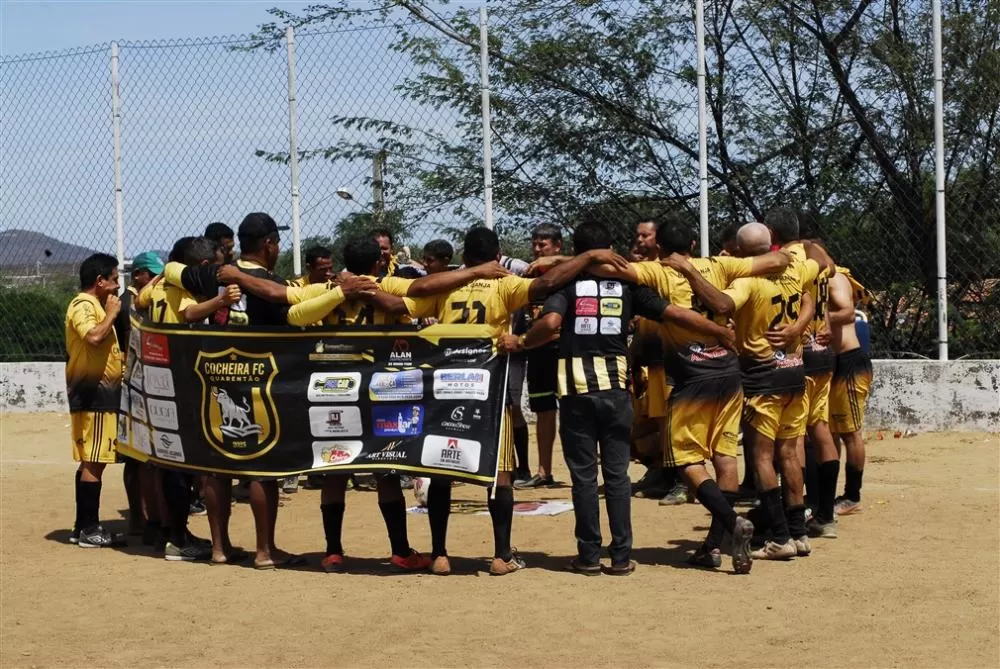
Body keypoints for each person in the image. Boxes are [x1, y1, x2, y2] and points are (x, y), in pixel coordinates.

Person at [506, 221, 741, 575]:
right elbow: (675, 313)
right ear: (609, 249)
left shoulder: (567, 284)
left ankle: (587, 557)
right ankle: (619, 556)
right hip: (616, 390)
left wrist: (522, 342)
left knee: (584, 477)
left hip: (575, 391)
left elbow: (551, 322)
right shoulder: (630, 287)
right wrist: (718, 331)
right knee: (616, 475)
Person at [403, 226, 627, 576]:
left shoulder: (445, 286)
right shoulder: (504, 284)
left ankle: (440, 555)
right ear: (497, 256)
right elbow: (546, 285)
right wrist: (585, 257)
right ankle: (501, 555)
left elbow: (411, 294)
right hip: (487, 392)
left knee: (443, 471)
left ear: (464, 257)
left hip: (446, 389)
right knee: (500, 473)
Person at [588, 218, 790, 571]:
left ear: (661, 249)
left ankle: (731, 521)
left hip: (691, 379)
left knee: (685, 461)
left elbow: (607, 268)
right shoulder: (722, 264)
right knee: (725, 456)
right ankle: (714, 545)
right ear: (694, 245)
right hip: (729, 374)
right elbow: (779, 260)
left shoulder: (658, 271)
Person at [291, 236, 434, 574]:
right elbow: (412, 311)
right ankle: (400, 551)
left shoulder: (328, 290)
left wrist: (339, 293)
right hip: (379, 390)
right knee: (386, 469)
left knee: (334, 471)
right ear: (377, 264)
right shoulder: (388, 286)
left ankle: (333, 552)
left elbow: (296, 316)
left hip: (333, 390)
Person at [712, 222, 833, 560]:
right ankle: (799, 534)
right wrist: (797, 327)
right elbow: (821, 266)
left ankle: (780, 537)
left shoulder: (746, 281)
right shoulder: (795, 269)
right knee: (790, 454)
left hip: (761, 376)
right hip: (794, 373)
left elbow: (722, 305)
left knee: (762, 456)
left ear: (738, 252)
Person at [138, 236, 242, 561]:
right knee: (181, 465)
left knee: (169, 462)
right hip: (180, 379)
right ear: (200, 267)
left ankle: (173, 533)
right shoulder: (179, 287)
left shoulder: (156, 288)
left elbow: (141, 301)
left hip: (158, 379)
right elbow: (189, 314)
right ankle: (178, 540)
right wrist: (221, 302)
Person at [766, 210, 841, 540]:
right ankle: (826, 515)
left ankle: (798, 508)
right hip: (824, 351)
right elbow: (832, 267)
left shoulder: (785, 259)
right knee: (821, 429)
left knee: (793, 437)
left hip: (800, 351)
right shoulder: (819, 258)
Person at [65, 253, 125, 548]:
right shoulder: (83, 305)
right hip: (94, 395)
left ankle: (82, 527)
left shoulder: (94, 305)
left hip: (100, 394)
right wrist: (112, 314)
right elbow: (92, 337)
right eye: (114, 279)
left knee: (92, 460)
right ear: (99, 281)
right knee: (95, 461)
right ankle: (89, 529)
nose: (117, 286)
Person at [116, 250, 163, 536]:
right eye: (153, 274)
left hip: (142, 382)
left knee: (139, 457)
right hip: (133, 384)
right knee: (138, 457)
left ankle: (142, 516)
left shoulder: (141, 300)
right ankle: (141, 517)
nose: (157, 279)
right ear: (138, 275)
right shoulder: (128, 305)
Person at [513, 223, 563, 489]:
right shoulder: (527, 276)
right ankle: (544, 472)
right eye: (534, 243)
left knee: (577, 411)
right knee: (543, 410)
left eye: (543, 244)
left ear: (557, 246)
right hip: (538, 351)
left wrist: (556, 260)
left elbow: (592, 257)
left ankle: (584, 472)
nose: (537, 249)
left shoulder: (569, 271)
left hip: (567, 351)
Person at [827, 266, 874, 516]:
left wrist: (814, 318)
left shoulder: (835, 277)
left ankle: (852, 495)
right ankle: (826, 494)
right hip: (832, 363)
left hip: (850, 362)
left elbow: (846, 313)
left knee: (850, 433)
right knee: (830, 431)